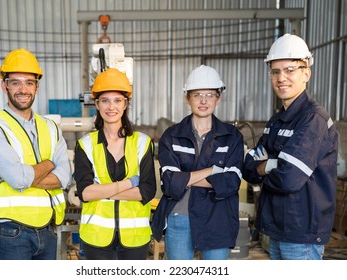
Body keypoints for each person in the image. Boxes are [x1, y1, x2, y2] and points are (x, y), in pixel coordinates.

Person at [242, 34, 339, 260]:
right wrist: (272, 165)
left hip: (301, 234)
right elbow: (248, 169)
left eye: (289, 70)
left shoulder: (313, 119)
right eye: (275, 72)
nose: (281, 78)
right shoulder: (276, 121)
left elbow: (289, 178)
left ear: (306, 73)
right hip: (276, 230)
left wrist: (264, 166)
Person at [0, 48, 72, 260]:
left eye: (29, 82)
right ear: (4, 85)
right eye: (15, 82)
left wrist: (24, 176)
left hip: (48, 228)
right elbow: (18, 179)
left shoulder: (51, 127)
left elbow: (65, 177)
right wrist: (49, 164)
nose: (23, 89)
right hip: (12, 233)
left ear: (37, 86)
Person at [151, 65, 244, 260]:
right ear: (187, 98)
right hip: (179, 218)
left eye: (209, 95)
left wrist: (184, 179)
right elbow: (169, 183)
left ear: (218, 98)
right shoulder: (172, 136)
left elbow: (231, 182)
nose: (203, 100)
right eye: (197, 95)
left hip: (217, 219)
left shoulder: (231, 136)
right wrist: (212, 171)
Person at [74, 68, 156, 260]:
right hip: (96, 238)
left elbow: (147, 191)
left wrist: (101, 191)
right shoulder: (85, 145)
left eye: (117, 100)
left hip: (135, 238)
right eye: (105, 100)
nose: (111, 107)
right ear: (97, 104)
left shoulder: (143, 143)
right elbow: (85, 193)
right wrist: (128, 183)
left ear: (125, 104)